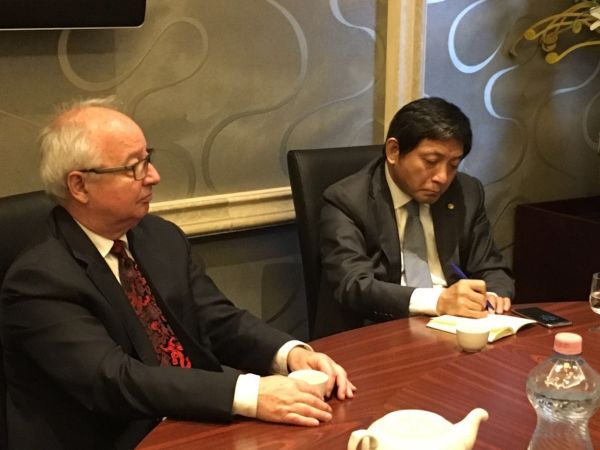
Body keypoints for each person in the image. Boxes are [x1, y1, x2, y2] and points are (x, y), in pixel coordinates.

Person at [0, 97, 356, 449]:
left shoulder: (158, 236)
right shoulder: (39, 278)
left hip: (189, 417)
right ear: (79, 186)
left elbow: (217, 319)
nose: (154, 176)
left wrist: (288, 354)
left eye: (148, 159)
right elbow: (113, 380)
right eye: (134, 167)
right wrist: (251, 393)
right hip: (113, 436)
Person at [315, 97, 514, 338]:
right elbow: (353, 285)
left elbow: (491, 267)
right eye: (431, 162)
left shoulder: (466, 192)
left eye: (453, 165)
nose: (442, 177)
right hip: (379, 332)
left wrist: (492, 295)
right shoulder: (347, 200)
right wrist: (438, 301)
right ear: (393, 151)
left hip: (455, 329)